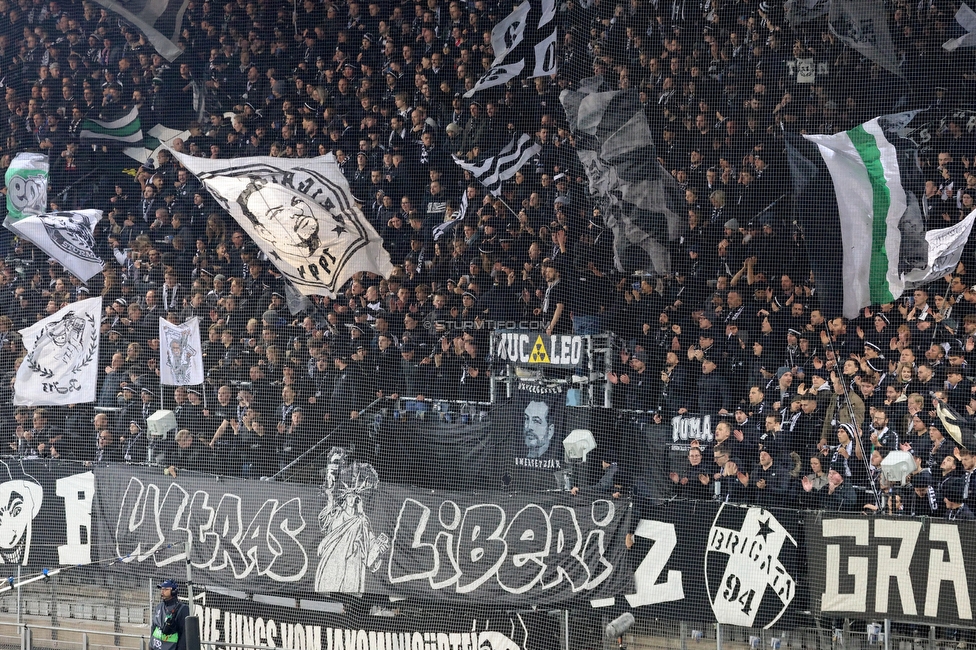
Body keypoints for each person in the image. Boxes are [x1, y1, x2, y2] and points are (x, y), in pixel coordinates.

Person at [150, 580, 188, 650]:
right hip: (155, 646)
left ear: (173, 592)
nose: (162, 592)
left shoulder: (182, 609)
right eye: (162, 589)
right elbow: (154, 627)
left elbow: (184, 634)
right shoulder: (159, 606)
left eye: (166, 589)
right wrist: (150, 645)